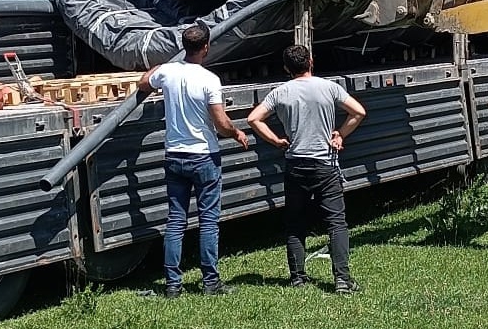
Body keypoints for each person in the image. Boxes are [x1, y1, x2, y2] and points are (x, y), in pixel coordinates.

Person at [139, 23, 248, 298]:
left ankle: (173, 285)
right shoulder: (209, 79)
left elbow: (142, 83)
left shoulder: (168, 72)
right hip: (204, 156)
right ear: (207, 47)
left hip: (174, 155)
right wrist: (235, 133)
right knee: (208, 220)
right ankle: (210, 282)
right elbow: (220, 122)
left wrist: (159, 66)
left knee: (176, 220)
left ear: (183, 46)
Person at [247, 44, 366, 294]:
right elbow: (358, 112)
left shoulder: (280, 92)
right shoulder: (329, 87)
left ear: (286, 68)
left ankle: (298, 277)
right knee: (336, 223)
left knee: (295, 222)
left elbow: (253, 119)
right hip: (325, 165)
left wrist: (276, 140)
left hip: (296, 165)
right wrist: (340, 135)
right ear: (311, 62)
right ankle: (342, 280)